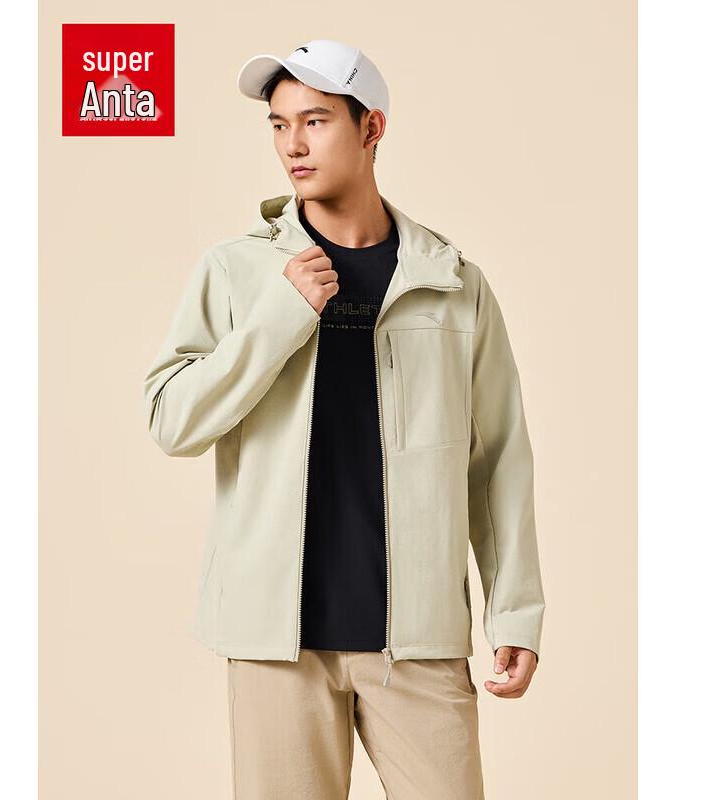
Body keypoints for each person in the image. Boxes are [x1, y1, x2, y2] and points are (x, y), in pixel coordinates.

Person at [143, 38, 546, 800]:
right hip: (276, 644)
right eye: (278, 124)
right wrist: (277, 317)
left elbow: (497, 461)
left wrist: (515, 612)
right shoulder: (236, 271)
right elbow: (171, 419)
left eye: (315, 120)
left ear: (372, 128)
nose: (292, 144)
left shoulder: (452, 283)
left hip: (418, 641)